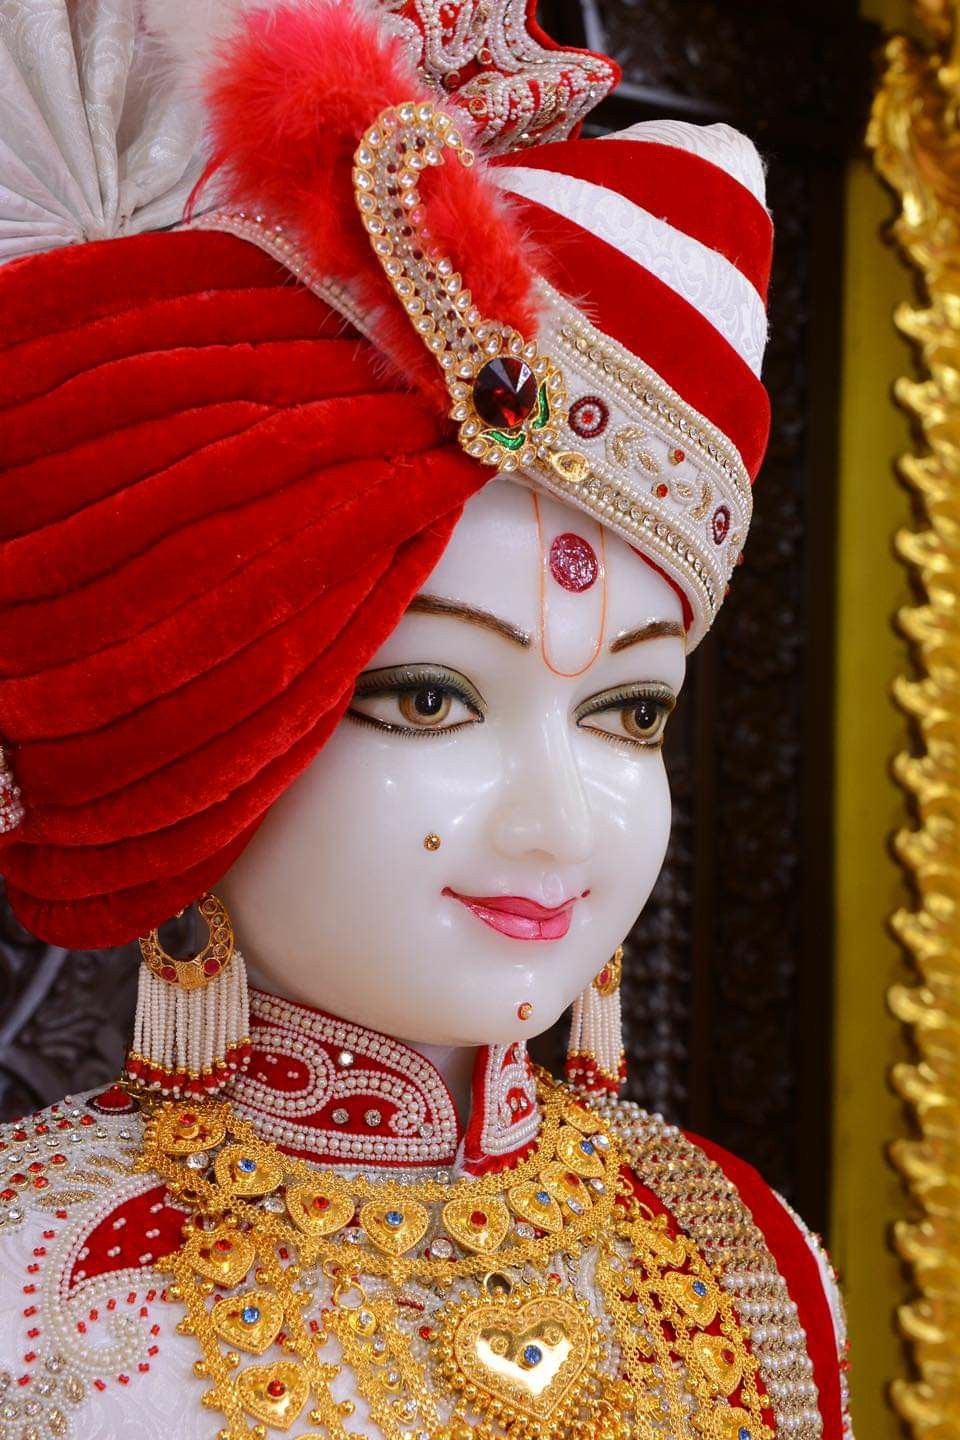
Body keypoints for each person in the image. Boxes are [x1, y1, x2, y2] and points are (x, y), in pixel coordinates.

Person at [0, 2, 850, 1437]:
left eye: (630, 711)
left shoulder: (743, 1255)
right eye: (429, 696)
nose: (560, 819)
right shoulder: (44, 1300)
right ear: (215, 725)